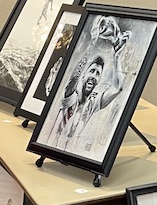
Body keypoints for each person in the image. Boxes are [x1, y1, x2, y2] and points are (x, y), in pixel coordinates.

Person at [47, 19, 128, 151]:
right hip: (50, 148)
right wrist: (92, 42)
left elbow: (117, 88)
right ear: (84, 75)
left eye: (97, 74)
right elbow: (74, 78)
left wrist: (117, 57)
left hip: (70, 154)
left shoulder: (93, 103)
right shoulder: (70, 96)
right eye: (92, 71)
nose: (94, 76)